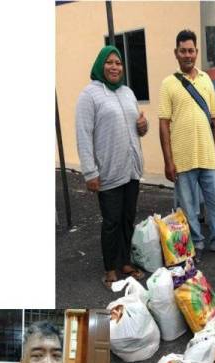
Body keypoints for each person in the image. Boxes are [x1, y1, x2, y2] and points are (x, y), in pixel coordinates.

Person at [159, 30, 215, 262]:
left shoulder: (206, 80)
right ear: (176, 53)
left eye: (191, 51)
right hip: (182, 158)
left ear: (196, 52)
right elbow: (164, 124)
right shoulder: (168, 84)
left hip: (207, 155)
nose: (187, 55)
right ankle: (197, 244)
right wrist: (168, 160)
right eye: (183, 51)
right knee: (188, 206)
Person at [76, 46, 148, 289]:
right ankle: (110, 269)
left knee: (128, 218)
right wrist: (89, 171)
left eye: (118, 62)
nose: (115, 66)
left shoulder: (128, 92)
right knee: (111, 222)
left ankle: (125, 261)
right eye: (109, 62)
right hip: (108, 171)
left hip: (131, 169)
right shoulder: (90, 95)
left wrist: (143, 126)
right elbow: (83, 135)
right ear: (100, 65)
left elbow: (139, 128)